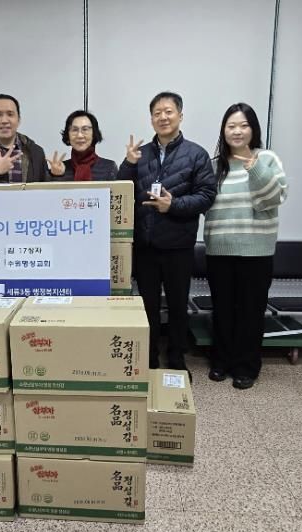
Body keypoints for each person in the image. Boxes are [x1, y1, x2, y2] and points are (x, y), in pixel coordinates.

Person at [118, 91, 217, 381]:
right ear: (151, 119)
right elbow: (121, 192)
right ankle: (148, 357)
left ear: (180, 116)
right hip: (145, 245)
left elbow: (207, 196)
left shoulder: (196, 154)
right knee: (146, 305)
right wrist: (128, 163)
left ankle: (176, 357)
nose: (163, 117)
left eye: (169, 111)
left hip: (178, 245)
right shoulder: (140, 154)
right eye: (157, 113)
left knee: (177, 305)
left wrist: (173, 205)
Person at [204, 103, 288, 389]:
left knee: (251, 311)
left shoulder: (267, 158)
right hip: (218, 248)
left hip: (256, 250)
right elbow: (204, 201)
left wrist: (255, 168)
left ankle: (246, 367)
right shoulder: (215, 165)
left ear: (253, 129)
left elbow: (274, 198)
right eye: (231, 126)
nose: (237, 131)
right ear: (223, 130)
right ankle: (221, 361)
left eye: (243, 125)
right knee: (223, 309)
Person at [46, 110, 118, 181]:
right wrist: (56, 176)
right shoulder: (58, 170)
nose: (79, 135)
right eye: (74, 130)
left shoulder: (109, 168)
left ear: (94, 133)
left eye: (85, 129)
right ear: (68, 135)